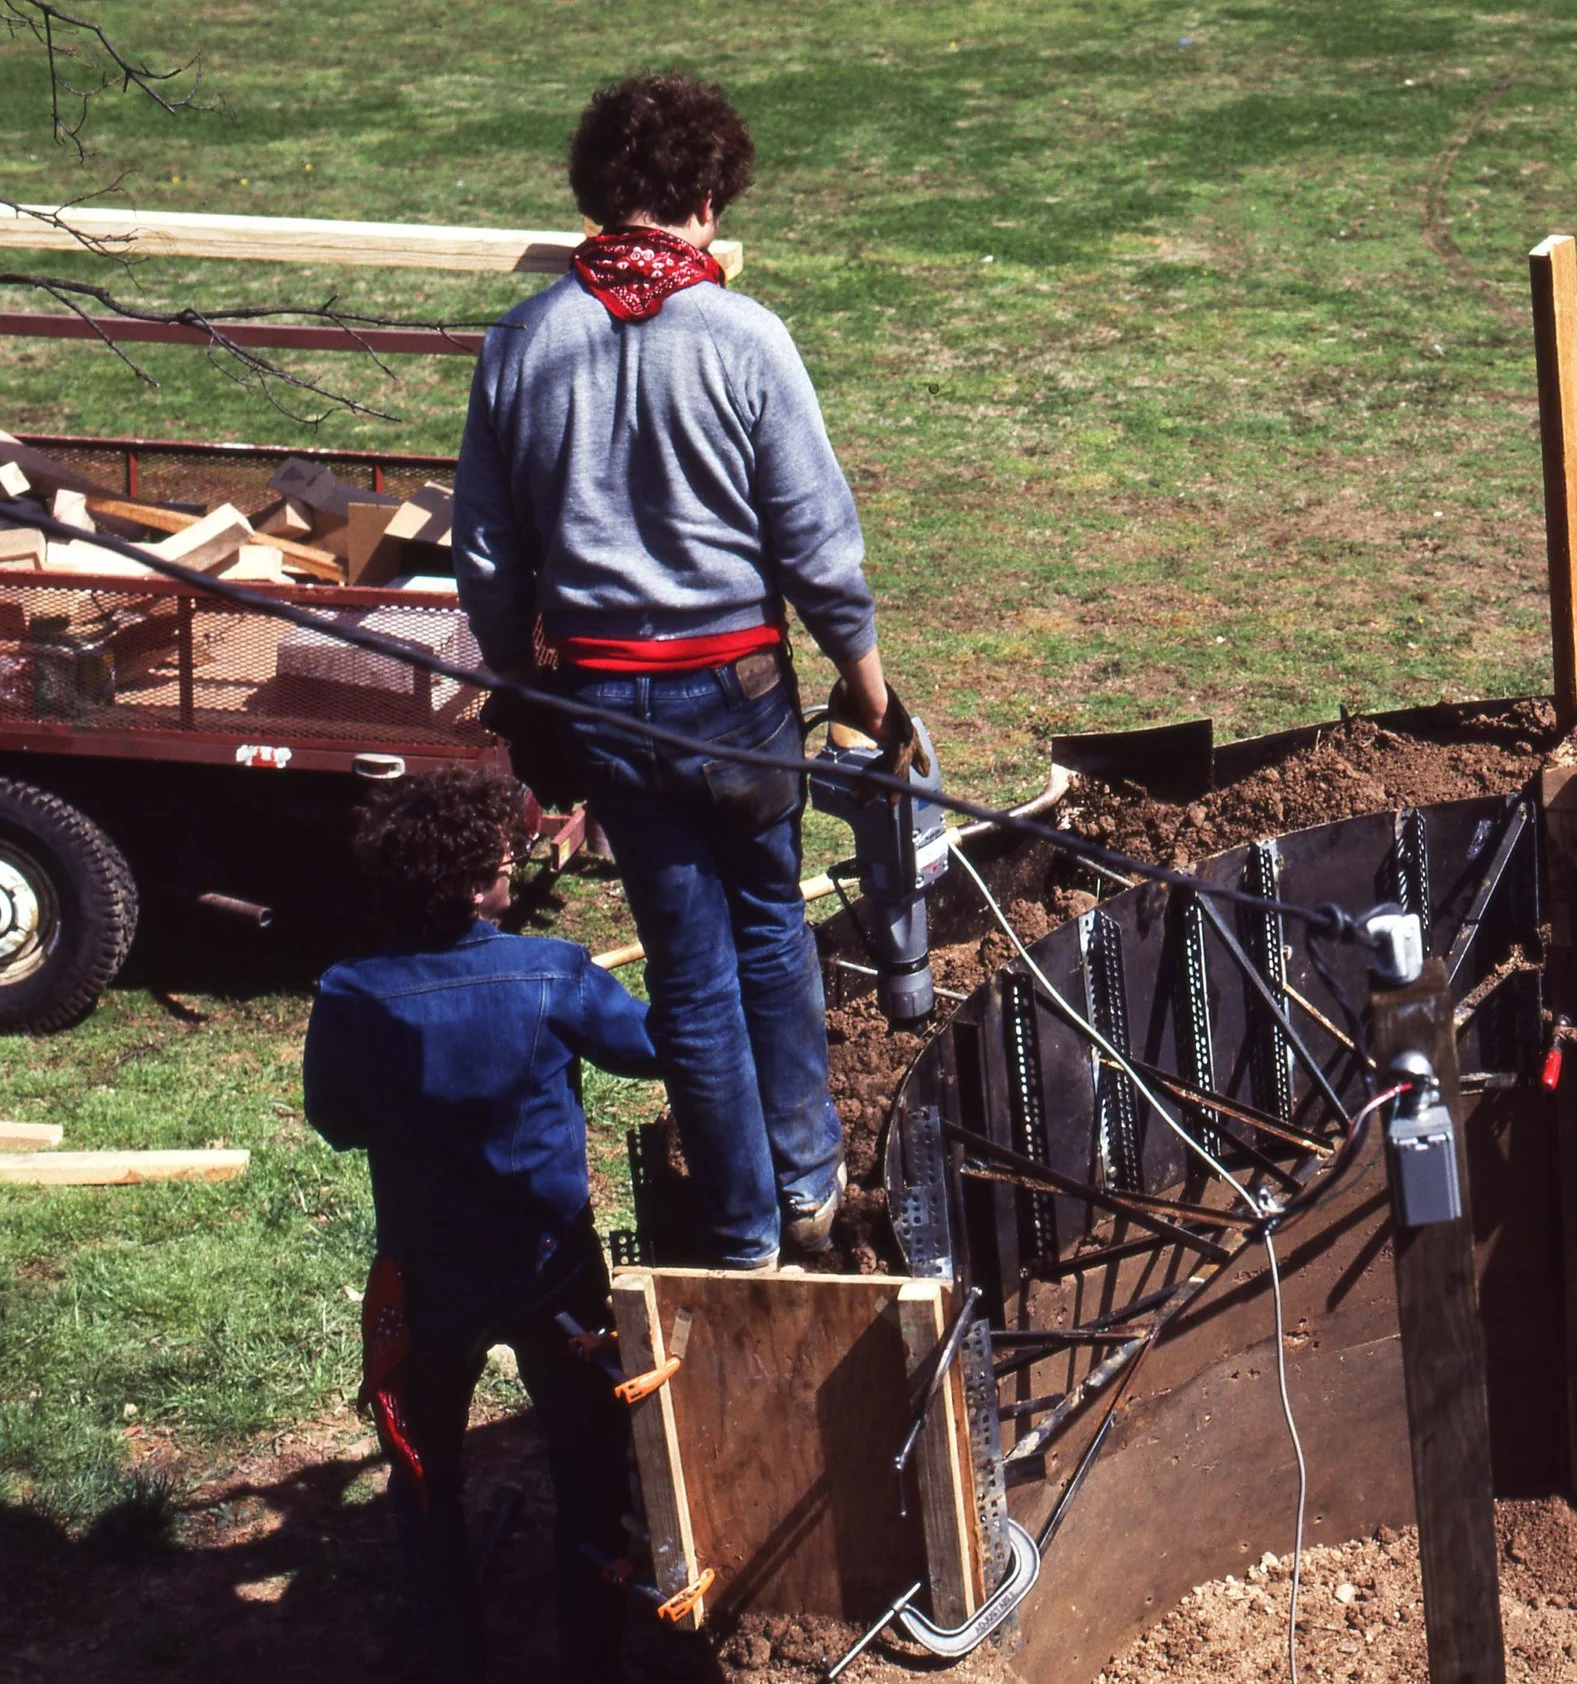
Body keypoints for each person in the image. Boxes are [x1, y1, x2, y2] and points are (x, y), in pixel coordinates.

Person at [454, 73, 884, 1269]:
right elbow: (815, 539)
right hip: (737, 699)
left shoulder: (524, 343)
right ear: (704, 197)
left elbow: (487, 557)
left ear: (600, 195)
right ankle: (808, 1185)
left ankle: (740, 1234)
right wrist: (863, 673)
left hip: (599, 703)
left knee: (688, 976)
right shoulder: (745, 338)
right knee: (773, 938)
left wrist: (518, 684)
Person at [303, 768, 660, 1684]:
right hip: (551, 1267)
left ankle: (449, 1653)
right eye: (505, 863)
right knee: (588, 1463)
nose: (518, 867)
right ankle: (593, 1655)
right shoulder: (552, 971)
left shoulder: (348, 993)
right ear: (472, 889)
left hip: (428, 1272)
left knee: (426, 1474)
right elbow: (654, 1049)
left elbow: (337, 1123)